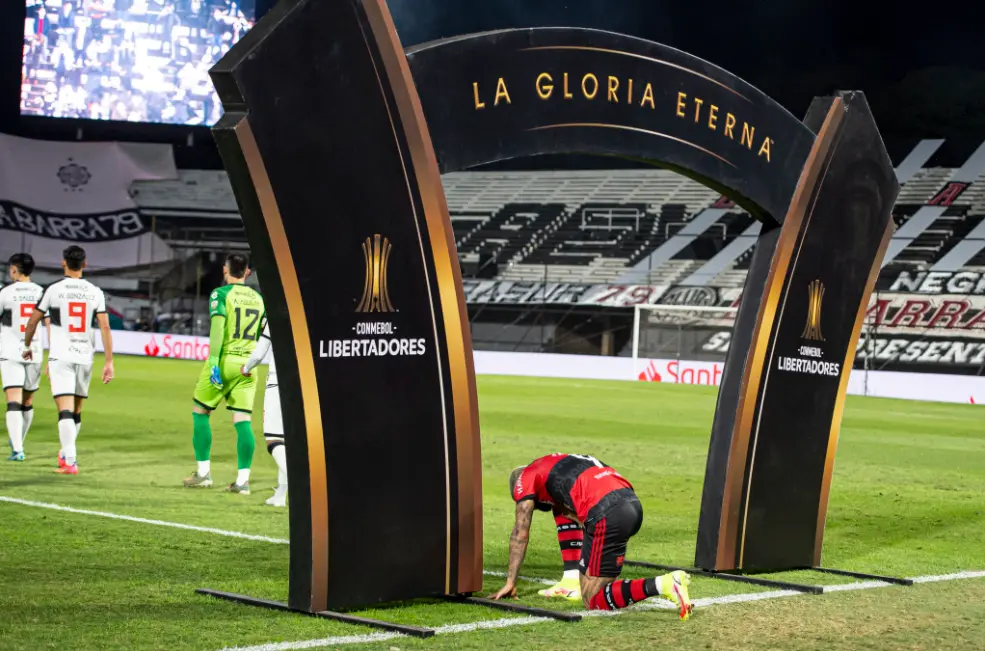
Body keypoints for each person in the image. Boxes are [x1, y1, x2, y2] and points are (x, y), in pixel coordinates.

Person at [491, 453, 694, 619]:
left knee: (594, 600)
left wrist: (510, 582)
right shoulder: (558, 463)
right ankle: (571, 579)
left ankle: (665, 583)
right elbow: (569, 505)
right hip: (631, 504)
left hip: (607, 514)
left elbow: (520, 532)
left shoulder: (524, 479)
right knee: (599, 582)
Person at [22, 246, 114, 475]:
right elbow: (105, 326)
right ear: (85, 264)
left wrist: (27, 345)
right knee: (76, 411)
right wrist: (109, 362)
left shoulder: (53, 290)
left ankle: (70, 461)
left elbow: (33, 321)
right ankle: (66, 454)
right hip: (85, 356)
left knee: (64, 410)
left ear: (64, 263)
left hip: (61, 356)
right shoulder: (95, 292)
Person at [184, 253, 265, 494]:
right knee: (243, 422)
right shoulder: (259, 299)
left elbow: (218, 330)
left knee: (201, 411)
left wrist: (214, 364)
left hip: (225, 361)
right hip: (248, 366)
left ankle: (203, 473)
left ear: (225, 270)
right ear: (247, 272)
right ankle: (242, 481)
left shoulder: (220, 295)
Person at [0, 254, 44, 461]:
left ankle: (17, 447)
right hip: (34, 351)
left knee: (13, 400)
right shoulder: (42, 293)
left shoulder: (5, 293)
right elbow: (51, 324)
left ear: (15, 270)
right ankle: (19, 442)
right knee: (27, 401)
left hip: (10, 350)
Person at [240, 323, 287, 507]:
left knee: (273, 440)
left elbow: (260, 353)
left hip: (278, 383)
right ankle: (280, 496)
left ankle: (303, 483)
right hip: (304, 385)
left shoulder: (275, 315)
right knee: (285, 442)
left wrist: (246, 367)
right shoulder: (306, 311)